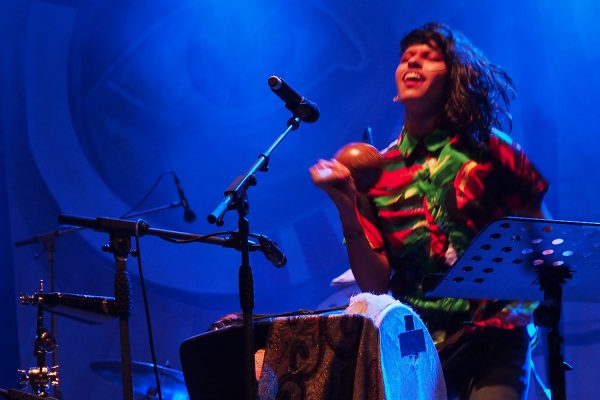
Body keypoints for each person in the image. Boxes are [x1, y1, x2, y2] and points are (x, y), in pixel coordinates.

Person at [310, 22, 548, 400]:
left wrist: (529, 296)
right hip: (419, 342)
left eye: (428, 56)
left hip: (496, 332)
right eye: (406, 58)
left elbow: (541, 232)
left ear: (453, 77)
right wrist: (346, 206)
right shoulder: (378, 171)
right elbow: (374, 285)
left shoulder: (492, 151)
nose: (412, 62)